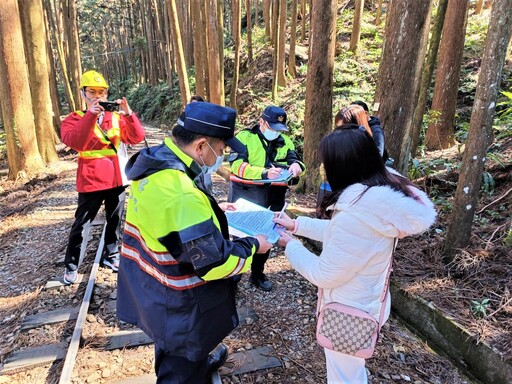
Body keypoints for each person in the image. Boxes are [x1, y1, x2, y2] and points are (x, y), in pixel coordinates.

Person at [116, 101, 274, 384]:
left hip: (153, 284)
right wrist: (254, 245)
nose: (223, 155)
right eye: (222, 149)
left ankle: (199, 363)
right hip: (180, 302)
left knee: (170, 343)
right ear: (201, 146)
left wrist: (214, 212)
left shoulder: (159, 161)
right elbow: (216, 263)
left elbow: (170, 221)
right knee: (180, 365)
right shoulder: (181, 193)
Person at [273, 126, 436, 383]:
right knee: (350, 371)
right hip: (367, 301)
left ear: (343, 167)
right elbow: (345, 237)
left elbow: (324, 273)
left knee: (343, 377)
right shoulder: (377, 199)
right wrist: (297, 225)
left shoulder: (357, 213)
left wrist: (291, 245)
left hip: (348, 312)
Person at [60, 70, 145, 285]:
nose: (98, 96)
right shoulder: (73, 119)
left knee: (114, 220)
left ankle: (112, 254)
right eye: (92, 91)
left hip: (116, 177)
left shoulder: (116, 117)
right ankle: (72, 265)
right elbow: (77, 142)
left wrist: (128, 114)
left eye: (102, 92)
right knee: (82, 223)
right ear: (83, 93)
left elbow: (137, 137)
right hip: (90, 179)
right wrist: (90, 115)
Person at [228, 105, 305, 291]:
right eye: (271, 128)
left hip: (275, 196)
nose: (275, 133)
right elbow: (236, 165)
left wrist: (296, 167)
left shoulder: (285, 141)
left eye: (279, 130)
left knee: (268, 234)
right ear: (262, 121)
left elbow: (295, 159)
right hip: (247, 194)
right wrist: (264, 173)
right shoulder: (244, 137)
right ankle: (233, 277)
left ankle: (257, 274)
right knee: (240, 235)